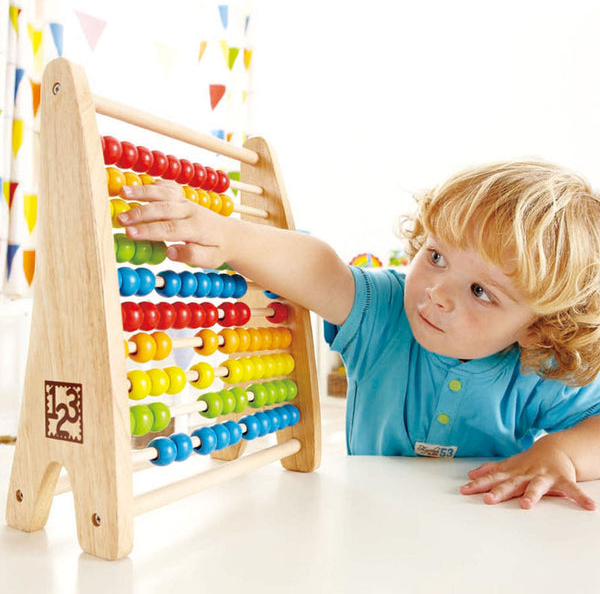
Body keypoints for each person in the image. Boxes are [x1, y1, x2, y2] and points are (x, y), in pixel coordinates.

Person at [117, 159, 600, 511]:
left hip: (487, 530)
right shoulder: (385, 313)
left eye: (480, 290)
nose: (436, 293)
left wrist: (559, 452)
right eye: (436, 256)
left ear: (538, 328)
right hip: (365, 517)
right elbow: (318, 268)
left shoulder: (541, 369)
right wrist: (231, 237)